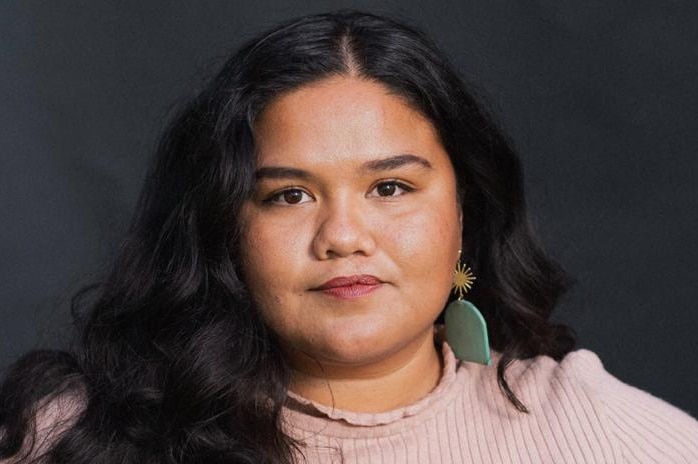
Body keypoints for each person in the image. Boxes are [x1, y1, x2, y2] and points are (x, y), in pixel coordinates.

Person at [1, 9, 697, 464]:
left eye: (390, 188)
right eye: (289, 195)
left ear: (467, 216)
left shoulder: (598, 432)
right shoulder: (75, 435)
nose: (341, 236)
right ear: (225, 229)